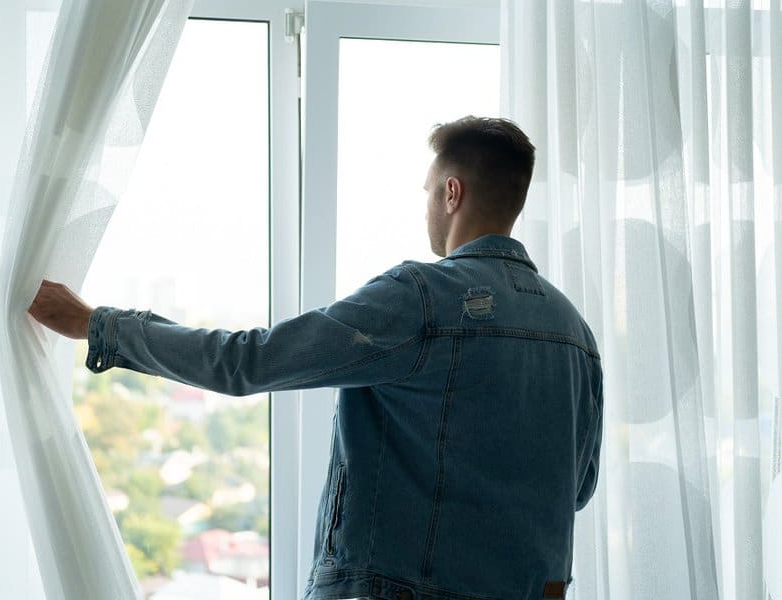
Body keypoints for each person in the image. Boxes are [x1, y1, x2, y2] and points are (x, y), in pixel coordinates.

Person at [30, 116, 603, 600]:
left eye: (430, 190)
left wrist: (95, 324)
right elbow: (575, 489)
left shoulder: (421, 299)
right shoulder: (576, 333)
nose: (427, 205)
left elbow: (247, 362)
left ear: (452, 193)